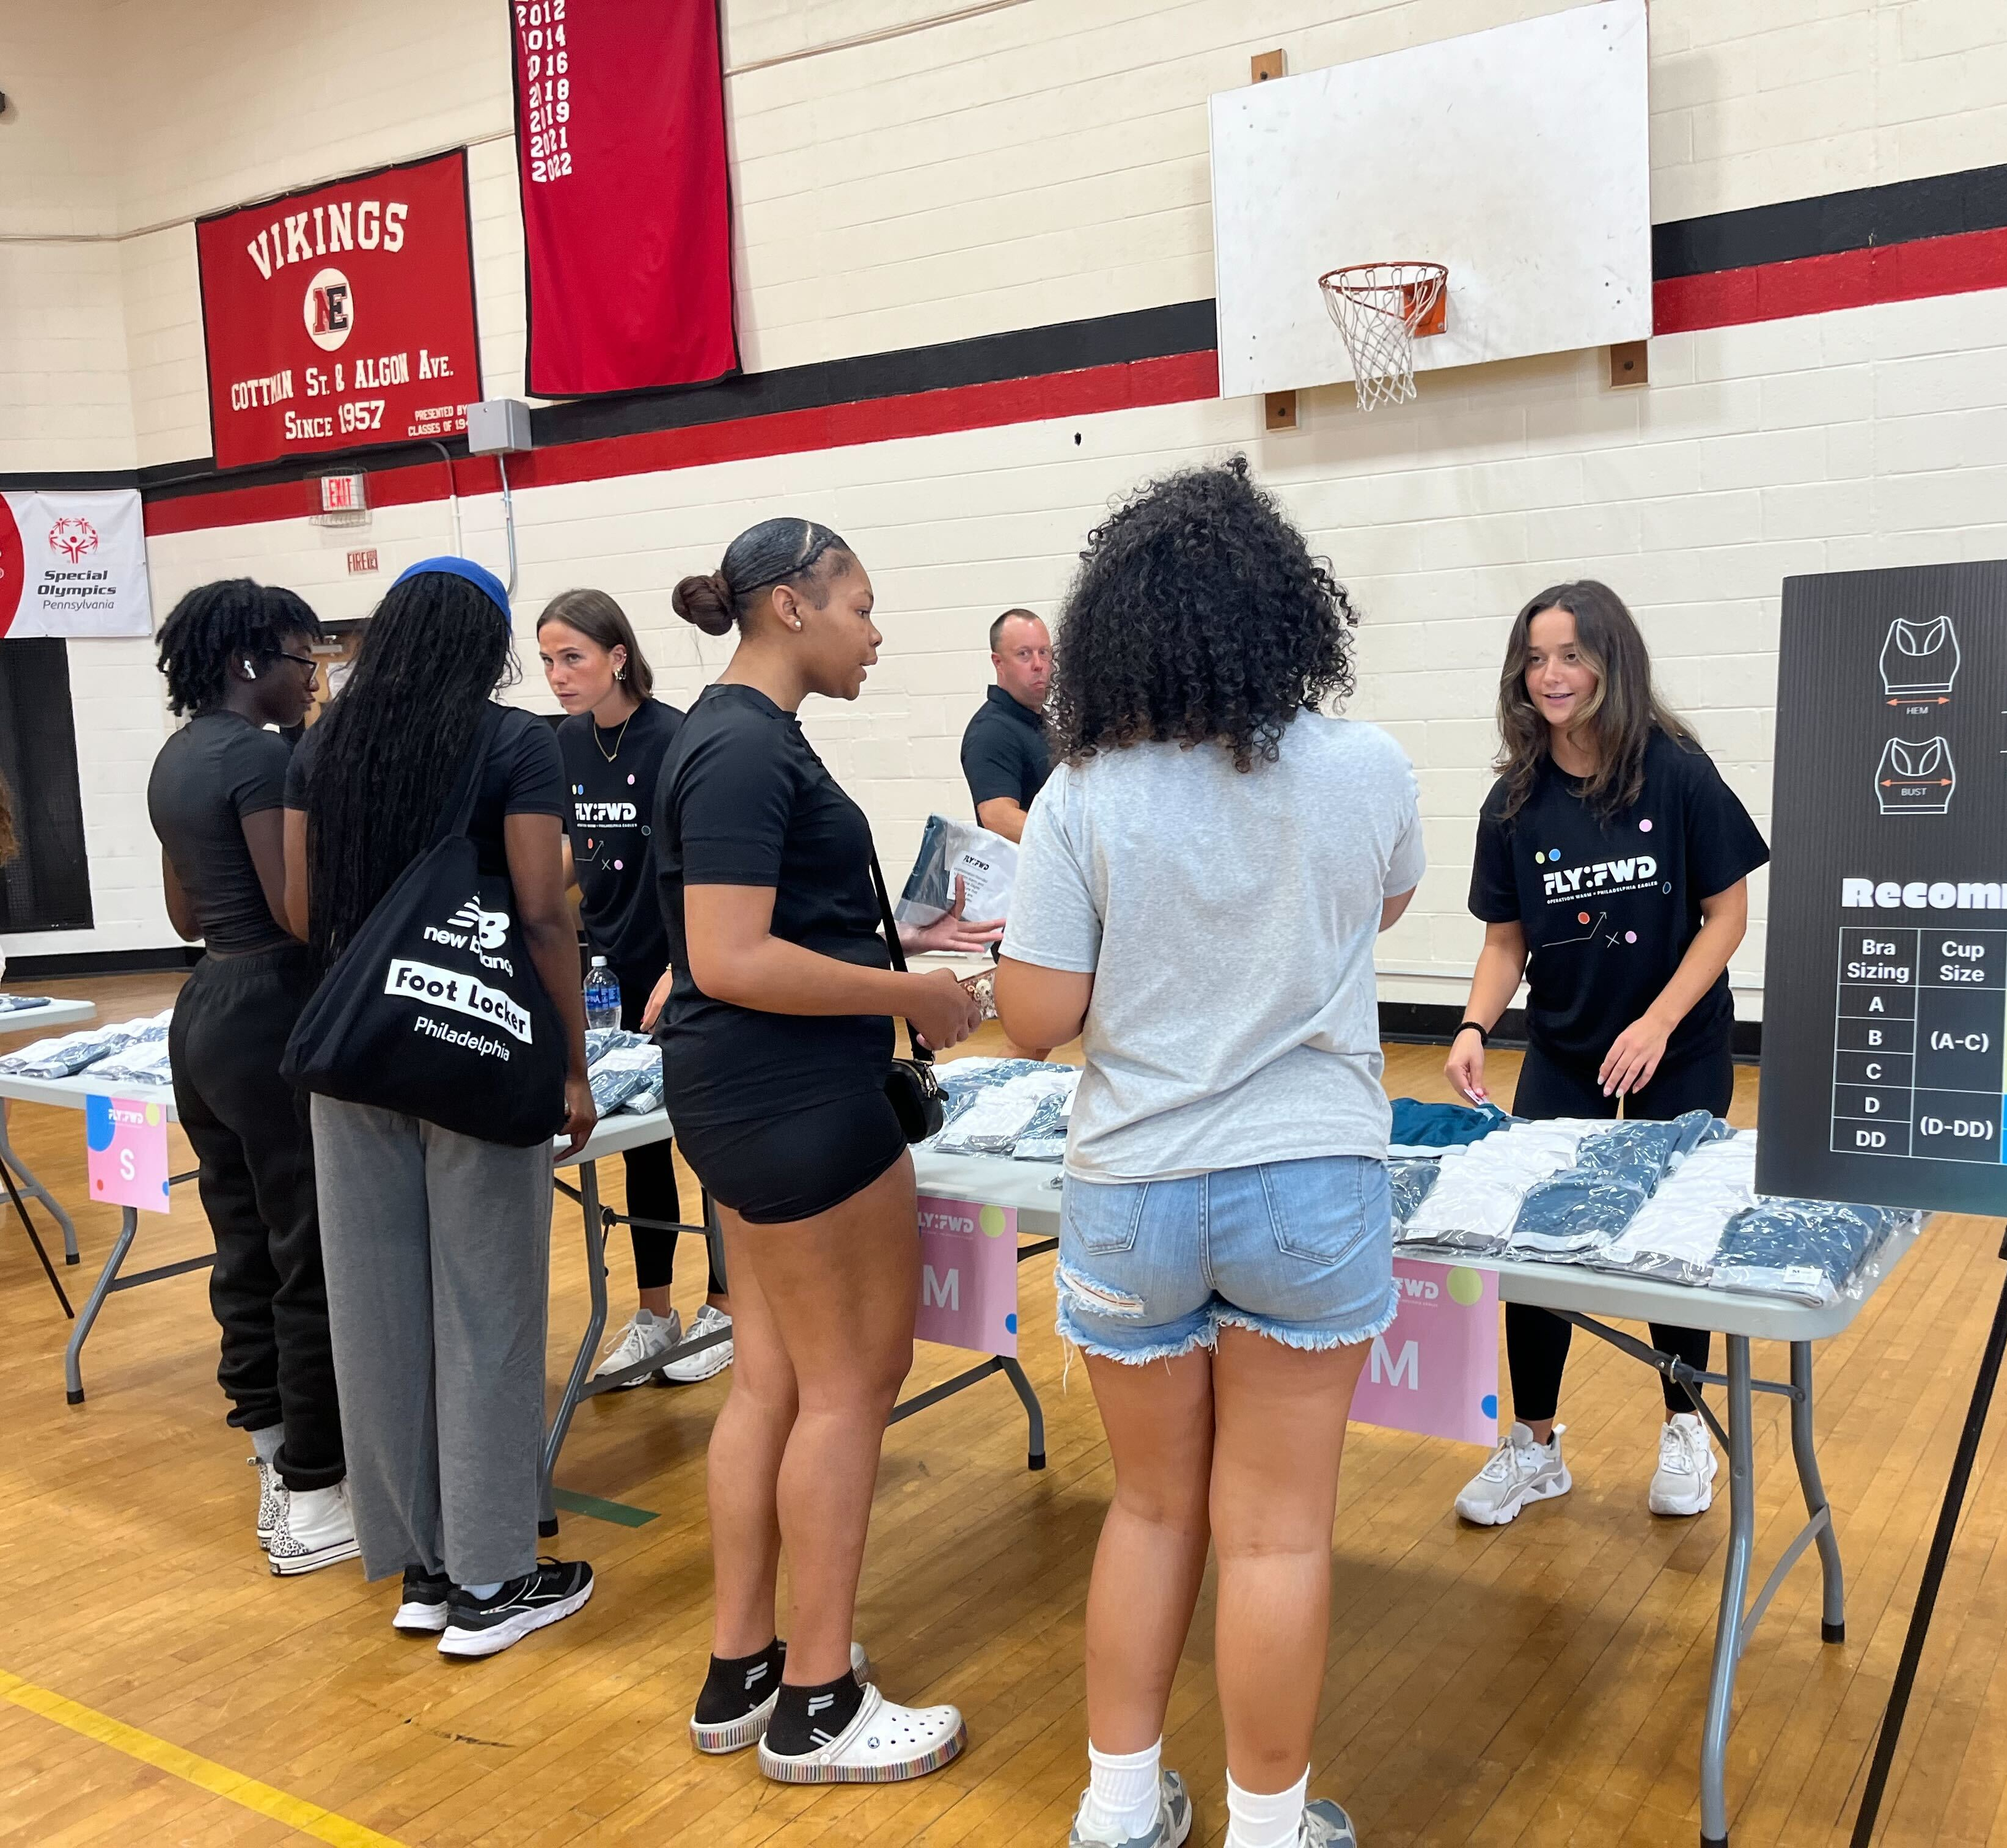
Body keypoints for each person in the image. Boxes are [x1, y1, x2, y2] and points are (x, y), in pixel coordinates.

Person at [999, 456, 1421, 1848]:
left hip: (1131, 1187)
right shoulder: (1365, 766)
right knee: (1278, 1532)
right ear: (1284, 616)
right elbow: (1390, 894)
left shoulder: (1078, 797)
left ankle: (1119, 1810)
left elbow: (1038, 1016)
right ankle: (1266, 1823)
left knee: (1147, 1508)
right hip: (1311, 1178)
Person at [662, 517, 995, 1783]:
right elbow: (729, 957)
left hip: (746, 1093)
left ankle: (741, 1667)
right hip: (792, 1096)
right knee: (850, 1384)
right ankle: (818, 1700)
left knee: (770, 1381)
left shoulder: (721, 735)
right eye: (859, 603)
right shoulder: (744, 749)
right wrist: (906, 998)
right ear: (790, 606)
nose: (873, 630)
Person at [283, 557, 599, 1656]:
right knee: (488, 1313)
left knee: (378, 1320)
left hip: (356, 1053)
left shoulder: (325, 742)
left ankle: (422, 1571)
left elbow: (300, 907)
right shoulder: (513, 742)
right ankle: (496, 1582)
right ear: (488, 642)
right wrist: (571, 1063)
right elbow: (544, 915)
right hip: (472, 1046)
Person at [1445, 580, 1767, 1528]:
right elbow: (1505, 943)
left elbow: (1728, 914)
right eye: (1537, 658)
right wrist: (1471, 1027)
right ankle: (1535, 1444)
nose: (1553, 675)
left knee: (1672, 1235)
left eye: (1573, 655)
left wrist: (1661, 1021)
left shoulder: (1677, 772)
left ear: (1611, 664)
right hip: (1567, 1044)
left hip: (1679, 1041)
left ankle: (1683, 1426)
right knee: (1535, 1242)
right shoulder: (1512, 804)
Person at [147, 580, 354, 1576]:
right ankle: (319, 1496)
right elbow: (300, 911)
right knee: (309, 1247)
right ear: (246, 663)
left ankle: (276, 1455)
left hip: (205, 1009)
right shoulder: (263, 758)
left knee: (245, 1240)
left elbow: (188, 917)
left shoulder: (177, 756)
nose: (309, 675)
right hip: (274, 1010)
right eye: (297, 657)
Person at [537, 589, 732, 1387]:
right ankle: (656, 1313)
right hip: (606, 974)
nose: (556, 676)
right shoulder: (565, 747)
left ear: (618, 656)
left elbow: (705, 867)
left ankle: (729, 1304)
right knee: (639, 1149)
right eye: (547, 661)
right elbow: (568, 861)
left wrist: (683, 967)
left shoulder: (674, 737)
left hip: (685, 968)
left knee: (705, 1144)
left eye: (572, 657)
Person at [960, 608, 1052, 845]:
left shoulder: (1037, 721)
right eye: (1024, 654)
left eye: (1044, 652)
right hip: (1023, 879)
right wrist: (1073, 846)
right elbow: (998, 817)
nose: (1038, 664)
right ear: (998, 663)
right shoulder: (991, 731)